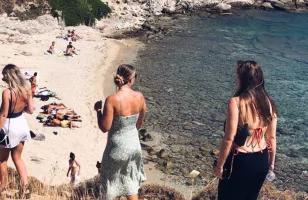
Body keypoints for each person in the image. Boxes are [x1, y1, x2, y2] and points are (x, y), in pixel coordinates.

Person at [214, 60, 278, 200]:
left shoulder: (236, 102)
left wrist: (219, 165)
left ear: (243, 79)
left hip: (240, 161)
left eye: (237, 76)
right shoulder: (269, 102)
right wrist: (271, 165)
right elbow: (271, 138)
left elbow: (229, 138)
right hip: (261, 160)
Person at [95, 64, 146, 200]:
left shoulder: (112, 100)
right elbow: (139, 124)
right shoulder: (140, 97)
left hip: (117, 148)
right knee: (130, 185)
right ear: (130, 79)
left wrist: (98, 111)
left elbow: (104, 127)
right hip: (134, 147)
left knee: (110, 187)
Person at [0, 64, 34, 198]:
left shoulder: (7, 92)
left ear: (9, 76)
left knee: (2, 160)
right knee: (18, 158)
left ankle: (3, 188)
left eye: (4, 76)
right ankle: (25, 188)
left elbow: (3, 114)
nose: (3, 78)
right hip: (22, 124)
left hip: (9, 126)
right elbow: (31, 110)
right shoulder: (26, 89)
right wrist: (21, 108)